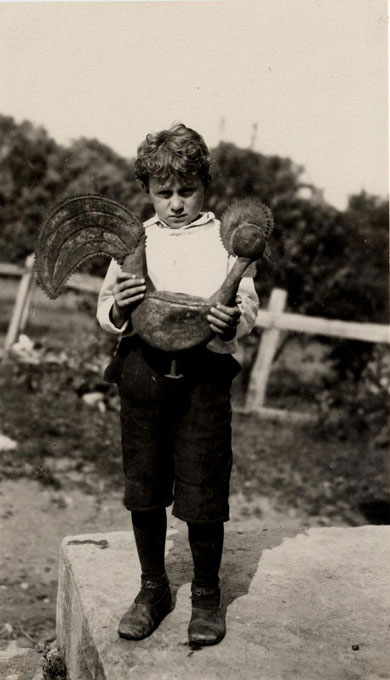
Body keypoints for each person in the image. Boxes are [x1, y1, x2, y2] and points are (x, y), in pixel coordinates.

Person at [97, 123, 259, 646]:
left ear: (204, 186)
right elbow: (106, 310)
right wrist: (119, 305)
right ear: (147, 191)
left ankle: (206, 596)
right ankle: (153, 588)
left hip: (203, 381)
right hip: (142, 375)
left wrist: (232, 320)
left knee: (202, 485)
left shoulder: (225, 241)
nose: (176, 204)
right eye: (163, 193)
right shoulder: (134, 239)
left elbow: (248, 305)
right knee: (143, 486)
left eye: (186, 190)